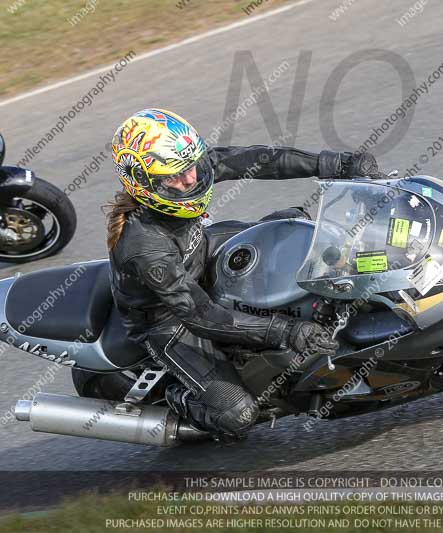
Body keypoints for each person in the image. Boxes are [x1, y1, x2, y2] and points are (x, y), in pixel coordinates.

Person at [106, 108, 379, 439]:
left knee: (292, 227)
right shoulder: (143, 246)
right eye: (175, 177)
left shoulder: (187, 170)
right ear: (143, 183)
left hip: (199, 254)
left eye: (191, 167)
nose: (191, 179)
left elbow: (261, 159)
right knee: (237, 414)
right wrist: (286, 331)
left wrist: (337, 164)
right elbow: (199, 315)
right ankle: (176, 398)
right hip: (168, 320)